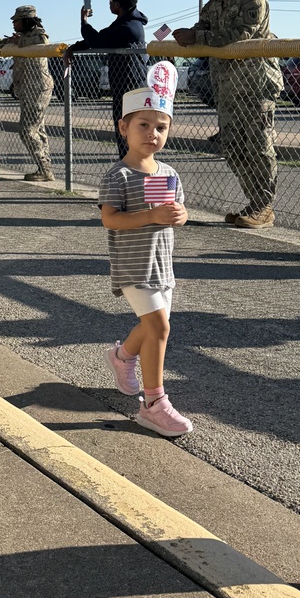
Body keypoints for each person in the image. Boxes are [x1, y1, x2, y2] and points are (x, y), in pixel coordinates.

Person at [99, 62, 193, 437]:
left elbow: (178, 213)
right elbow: (111, 219)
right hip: (133, 267)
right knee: (159, 326)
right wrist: (150, 214)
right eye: (143, 125)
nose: (152, 134)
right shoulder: (118, 176)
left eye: (161, 127)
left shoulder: (169, 174)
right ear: (123, 127)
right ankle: (154, 404)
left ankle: (121, 357)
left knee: (150, 326)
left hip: (161, 266)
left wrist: (180, 214)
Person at [173, 0, 283, 228]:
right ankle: (256, 202)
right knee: (232, 146)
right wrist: (187, 36)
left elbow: (242, 35)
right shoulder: (211, 7)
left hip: (256, 85)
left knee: (258, 145)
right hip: (227, 86)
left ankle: (264, 207)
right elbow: (201, 29)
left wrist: (197, 37)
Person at [65, 0, 148, 159]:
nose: (109, 4)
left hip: (130, 86)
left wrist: (84, 20)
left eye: (110, 1)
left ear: (118, 4)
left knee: (128, 131)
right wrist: (74, 47)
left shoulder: (128, 26)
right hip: (124, 85)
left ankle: (132, 167)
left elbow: (98, 40)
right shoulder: (125, 22)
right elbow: (102, 36)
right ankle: (128, 164)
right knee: (124, 129)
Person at [0, 5, 55, 181]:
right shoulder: (23, 37)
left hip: (38, 88)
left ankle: (45, 169)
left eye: (16, 21)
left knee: (27, 130)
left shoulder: (38, 33)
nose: (14, 23)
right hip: (26, 88)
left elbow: (42, 42)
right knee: (38, 129)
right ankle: (44, 168)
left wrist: (19, 42)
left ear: (25, 20)